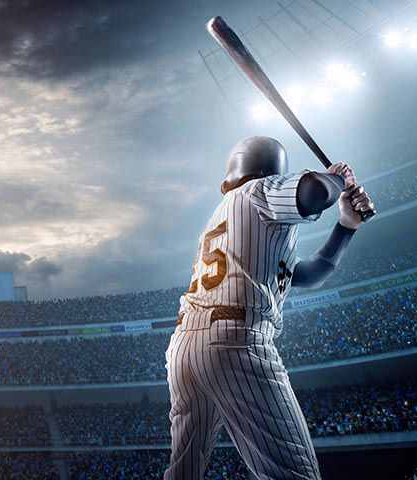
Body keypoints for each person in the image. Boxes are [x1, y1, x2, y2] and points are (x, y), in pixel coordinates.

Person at [164, 136, 374, 480]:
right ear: (271, 172)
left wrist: (347, 226)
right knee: (296, 475)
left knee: (183, 472)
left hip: (185, 350)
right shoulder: (257, 191)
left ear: (229, 176)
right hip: (234, 342)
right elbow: (313, 192)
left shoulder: (231, 218)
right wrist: (339, 178)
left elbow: (306, 274)